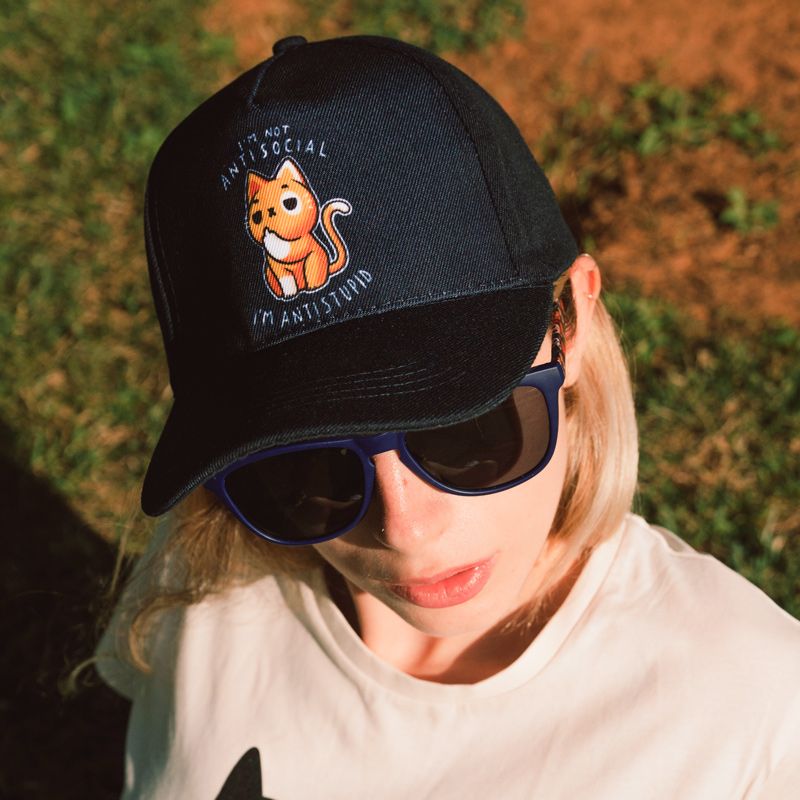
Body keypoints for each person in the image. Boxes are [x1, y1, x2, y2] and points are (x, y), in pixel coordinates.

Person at [96, 33, 800, 800]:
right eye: (300, 462)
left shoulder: (750, 710)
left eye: (464, 431)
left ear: (575, 321)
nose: (404, 528)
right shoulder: (215, 568)